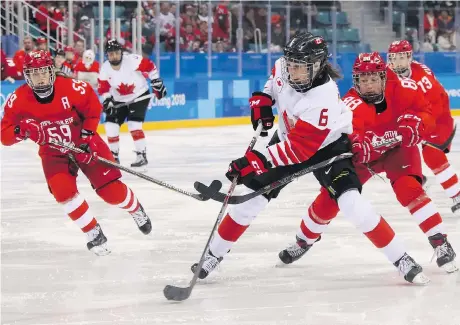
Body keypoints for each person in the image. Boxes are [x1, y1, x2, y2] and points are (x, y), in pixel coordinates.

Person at [190, 33, 429, 285]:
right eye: (290, 66)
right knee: (251, 201)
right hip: (288, 138)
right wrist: (264, 99)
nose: (293, 73)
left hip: (329, 148)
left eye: (300, 69)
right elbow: (275, 82)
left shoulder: (323, 97)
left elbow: (299, 151)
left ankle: (401, 258)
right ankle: (213, 255)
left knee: (350, 202)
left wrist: (255, 160)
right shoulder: (286, 65)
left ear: (317, 66)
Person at [278, 52, 457, 274]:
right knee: (330, 198)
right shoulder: (351, 103)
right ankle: (303, 240)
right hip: (366, 157)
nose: (369, 85)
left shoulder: (405, 88)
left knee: (409, 190)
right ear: (356, 82)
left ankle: (440, 242)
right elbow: (349, 130)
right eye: (363, 80)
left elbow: (426, 113)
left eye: (373, 79)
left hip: (399, 150)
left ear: (384, 77)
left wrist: (418, 123)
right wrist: (356, 143)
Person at [0, 50, 152, 256]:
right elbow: (5, 136)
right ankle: (93, 233)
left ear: (52, 71)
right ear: (27, 75)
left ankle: (135, 209)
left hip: (84, 142)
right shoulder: (17, 99)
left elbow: (93, 108)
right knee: (63, 192)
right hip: (53, 152)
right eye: (34, 73)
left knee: (111, 193)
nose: (40, 77)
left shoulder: (73, 88)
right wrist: (21, 131)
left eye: (43, 71)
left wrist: (87, 138)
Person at [387, 40, 459, 214]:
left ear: (410, 58)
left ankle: (457, 194)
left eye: (401, 58)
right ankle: (416, 178)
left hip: (436, 117)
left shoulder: (422, 78)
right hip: (411, 114)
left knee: (432, 154)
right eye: (393, 58)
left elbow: (438, 105)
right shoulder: (387, 73)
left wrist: (420, 126)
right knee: (395, 152)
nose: (397, 62)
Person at [97, 39, 167, 168]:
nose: (114, 56)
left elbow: (151, 67)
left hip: (139, 95)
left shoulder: (132, 60)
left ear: (121, 52)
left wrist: (157, 83)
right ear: (107, 55)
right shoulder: (105, 68)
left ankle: (141, 155)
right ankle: (114, 156)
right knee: (110, 125)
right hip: (118, 99)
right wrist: (107, 100)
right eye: (111, 54)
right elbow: (103, 88)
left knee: (134, 124)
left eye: (116, 53)